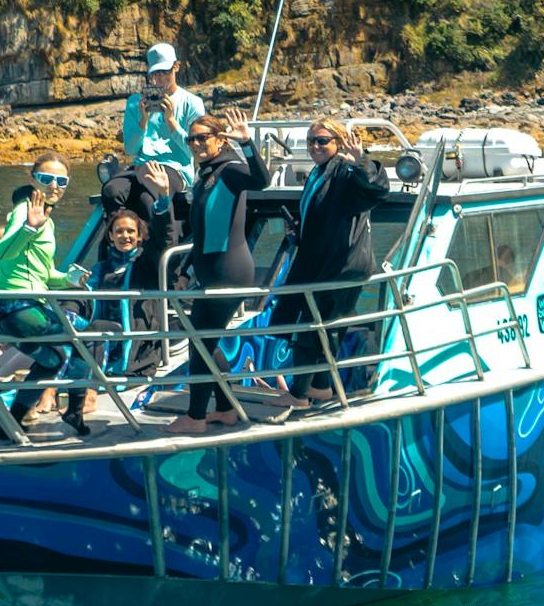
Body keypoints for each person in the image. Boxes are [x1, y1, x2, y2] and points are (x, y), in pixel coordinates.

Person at [268, 119, 389, 410]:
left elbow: (375, 191)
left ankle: (298, 395)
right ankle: (321, 387)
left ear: (338, 141)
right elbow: (323, 214)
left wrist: (362, 163)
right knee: (322, 326)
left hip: (341, 266)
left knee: (314, 328)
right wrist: (299, 229)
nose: (315, 146)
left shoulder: (346, 170)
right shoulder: (320, 171)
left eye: (323, 141)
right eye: (311, 141)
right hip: (321, 261)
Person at [165, 106, 270, 435]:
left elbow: (262, 181)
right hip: (209, 271)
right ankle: (224, 408)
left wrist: (247, 143)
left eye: (202, 138)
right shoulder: (205, 173)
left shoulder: (230, 169)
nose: (196, 143)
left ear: (220, 140)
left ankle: (196, 417)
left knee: (200, 340)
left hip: (229, 271)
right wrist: (185, 270)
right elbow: (200, 229)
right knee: (203, 341)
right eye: (191, 138)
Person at [0, 155, 97, 435]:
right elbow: (4, 251)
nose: (54, 186)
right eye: (46, 179)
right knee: (89, 336)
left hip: (14, 309)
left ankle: (12, 421)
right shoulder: (26, 209)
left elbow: (44, 274)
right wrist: (28, 227)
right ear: (32, 179)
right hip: (17, 306)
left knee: (53, 359)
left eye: (62, 181)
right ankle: (74, 410)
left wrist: (71, 279)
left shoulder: (44, 217)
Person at [84, 163, 182, 375]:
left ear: (139, 236)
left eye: (130, 231)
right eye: (118, 231)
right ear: (110, 236)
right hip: (103, 340)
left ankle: (88, 391)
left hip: (136, 345)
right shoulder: (101, 269)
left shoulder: (145, 263)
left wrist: (164, 196)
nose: (124, 236)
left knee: (94, 330)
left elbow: (166, 239)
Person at [101, 42, 207, 238]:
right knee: (111, 190)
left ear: (176, 67)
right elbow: (132, 150)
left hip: (175, 168)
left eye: (164, 72)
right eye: (154, 74)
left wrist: (172, 122)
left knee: (146, 197)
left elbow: (196, 151)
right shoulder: (135, 102)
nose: (159, 79)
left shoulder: (192, 103)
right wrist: (143, 121)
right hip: (141, 166)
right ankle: (115, 248)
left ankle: (161, 247)